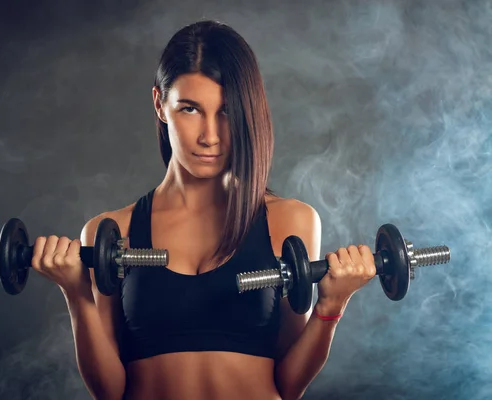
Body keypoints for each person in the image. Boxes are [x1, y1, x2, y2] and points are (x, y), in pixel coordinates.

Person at [30, 20, 377, 400]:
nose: (210, 135)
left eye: (226, 111)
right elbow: (110, 392)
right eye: (190, 109)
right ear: (160, 106)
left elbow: (289, 385)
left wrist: (332, 304)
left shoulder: (290, 220)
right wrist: (77, 293)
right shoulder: (112, 231)